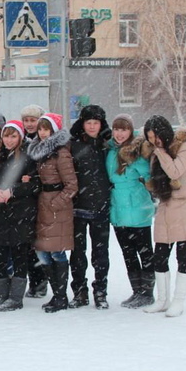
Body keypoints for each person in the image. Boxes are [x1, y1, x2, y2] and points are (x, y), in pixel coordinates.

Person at [142, 116, 186, 317]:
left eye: (156, 136)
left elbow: (175, 171)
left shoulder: (182, 147)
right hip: (165, 206)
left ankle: (178, 301)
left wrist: (160, 152)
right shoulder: (155, 152)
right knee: (160, 256)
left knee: (183, 255)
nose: (155, 141)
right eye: (150, 138)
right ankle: (162, 299)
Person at [0, 120, 41, 311]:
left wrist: (13, 191)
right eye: (6, 135)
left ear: (20, 137)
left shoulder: (28, 157)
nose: (9, 140)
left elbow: (34, 184)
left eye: (13, 136)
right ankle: (1, 292)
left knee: (19, 254)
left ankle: (16, 297)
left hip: (20, 213)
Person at [27, 113, 78, 313]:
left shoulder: (61, 153)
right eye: (40, 129)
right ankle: (57, 293)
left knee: (57, 251)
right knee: (42, 251)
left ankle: (61, 296)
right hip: (42, 205)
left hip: (56, 207)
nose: (42, 133)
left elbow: (72, 184)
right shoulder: (39, 153)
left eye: (46, 129)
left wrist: (56, 203)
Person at [106, 114, 155, 308]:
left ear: (130, 131)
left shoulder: (136, 152)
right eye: (116, 129)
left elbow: (148, 175)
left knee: (144, 253)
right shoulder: (110, 151)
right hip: (118, 210)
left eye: (124, 129)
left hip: (138, 209)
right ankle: (137, 291)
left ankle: (148, 292)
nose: (119, 134)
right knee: (128, 254)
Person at [68, 105, 112, 309]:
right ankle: (79, 291)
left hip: (101, 206)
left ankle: (101, 291)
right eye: (89, 122)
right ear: (82, 124)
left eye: (96, 122)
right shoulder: (72, 145)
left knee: (101, 254)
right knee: (78, 253)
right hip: (77, 207)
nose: (92, 126)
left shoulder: (108, 145)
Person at [20, 105, 48, 298]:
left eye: (33, 120)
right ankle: (34, 281)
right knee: (27, 245)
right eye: (27, 120)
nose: (30, 124)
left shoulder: (44, 142)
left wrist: (33, 179)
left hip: (41, 197)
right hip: (24, 200)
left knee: (40, 244)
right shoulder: (19, 141)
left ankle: (41, 281)